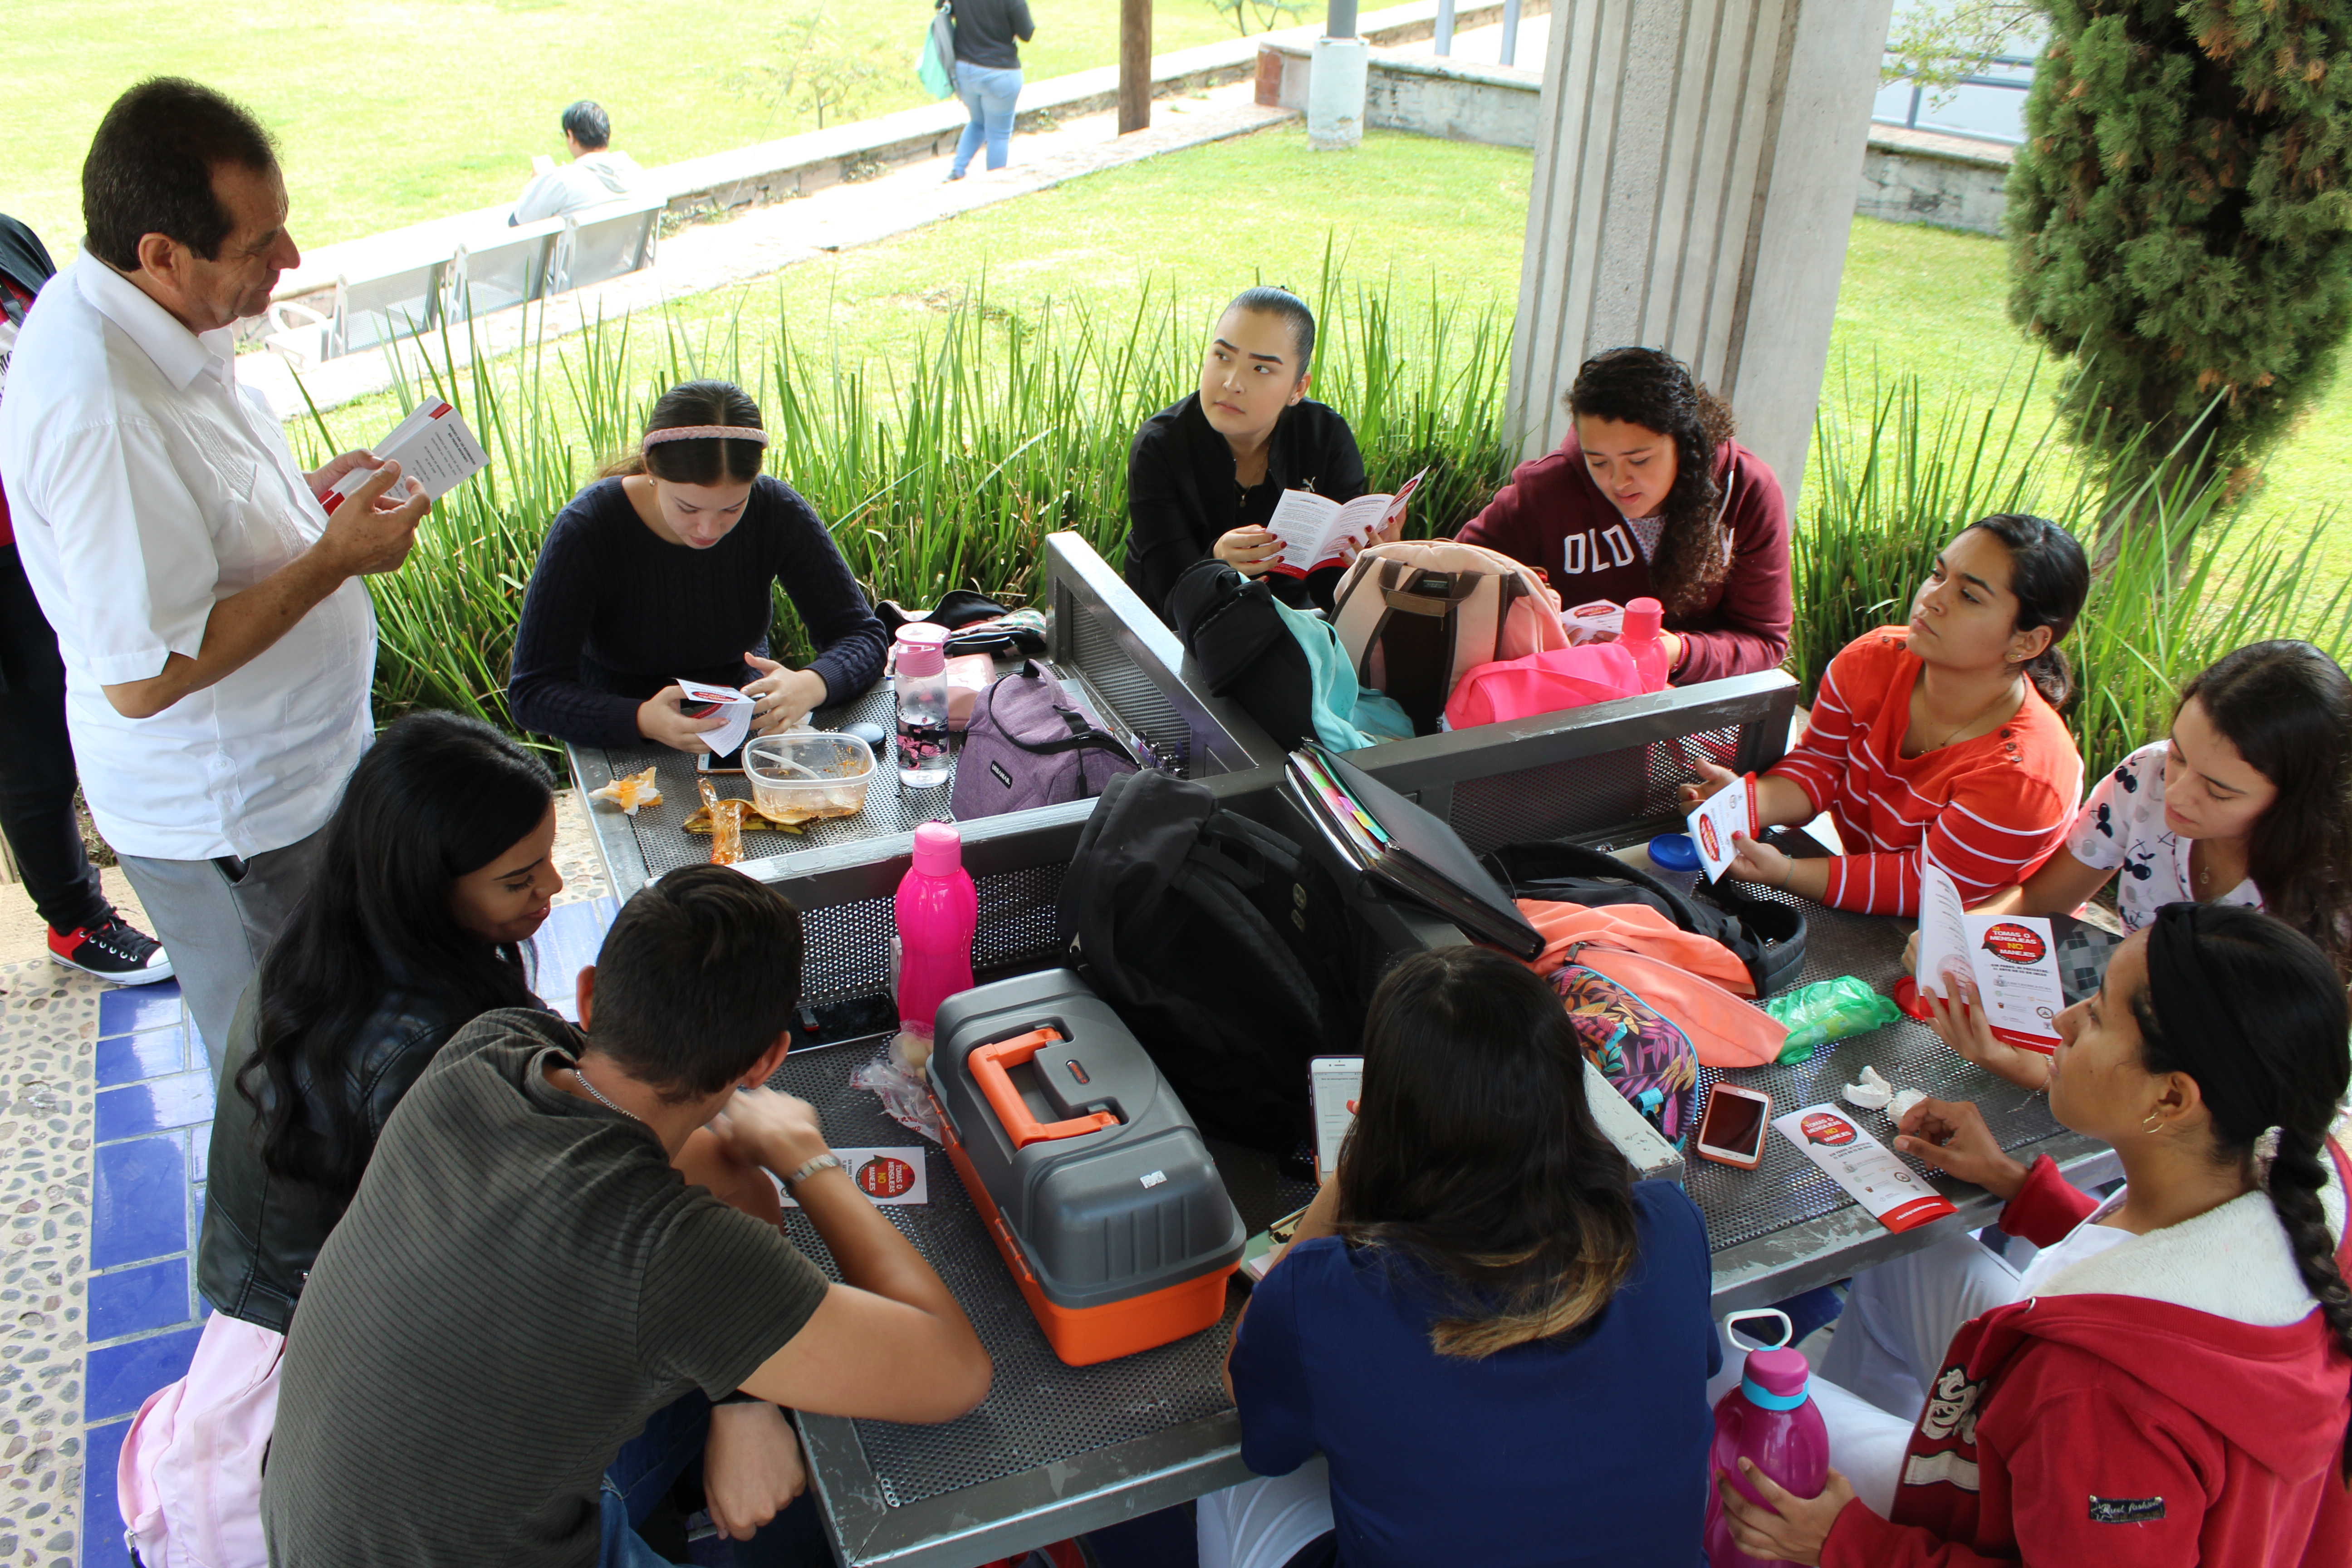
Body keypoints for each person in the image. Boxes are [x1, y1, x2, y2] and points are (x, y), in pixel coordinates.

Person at [260, 863, 993, 1565]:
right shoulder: (664, 1253)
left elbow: (714, 1173)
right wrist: (808, 1160)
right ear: (769, 1060)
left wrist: (742, 1398)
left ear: (585, 997)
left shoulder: (489, 1049)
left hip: (315, 1522)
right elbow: (953, 1374)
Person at [0, 79, 430, 1072]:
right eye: (259, 244)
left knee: (337, 1030)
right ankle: (314, 1230)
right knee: (285, 1078)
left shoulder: (160, 315)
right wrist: (333, 560)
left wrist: (307, 501)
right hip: (235, 816)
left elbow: (199, 519)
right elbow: (144, 675)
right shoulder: (103, 409)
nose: (290, 259)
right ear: (161, 253)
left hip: (297, 781)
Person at [1715, 903, 2352, 1567]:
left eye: (2099, 1014)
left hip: (2039, 1505)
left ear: (2171, 1100)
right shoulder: (2309, 1179)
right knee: (1915, 1254)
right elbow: (2176, 1261)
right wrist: (2016, 1185)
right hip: (2060, 1479)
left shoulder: (2101, 1400)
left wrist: (1846, 1543)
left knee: (1725, 1380)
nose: (2063, 1019)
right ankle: (1913, 1478)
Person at [116, 712, 564, 1567]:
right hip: (324, 1342)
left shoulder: (328, 945)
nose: (550, 886)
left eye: (545, 857)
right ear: (427, 887)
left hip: (262, 1297)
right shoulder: (425, 1044)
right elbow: (504, 1246)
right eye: (518, 879)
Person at [1199, 945, 1719, 1568]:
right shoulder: (1670, 1227)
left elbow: (1249, 1399)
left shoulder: (1322, 1294)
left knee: (1224, 1489)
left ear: (1388, 1124)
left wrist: (1343, 1184)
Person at [1679, 514, 2088, 917]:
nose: (1932, 599)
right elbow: (1823, 764)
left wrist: (1786, 872)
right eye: (1938, 573)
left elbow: (1926, 886)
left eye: (1969, 596)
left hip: (1968, 951)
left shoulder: (2023, 778)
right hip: (1885, 905)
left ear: (2029, 640)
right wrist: (1743, 804)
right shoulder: (1872, 660)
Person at [507, 379, 888, 753]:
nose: (708, 529)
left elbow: (863, 636)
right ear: (650, 471)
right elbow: (532, 693)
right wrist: (641, 719)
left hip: (742, 729)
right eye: (687, 508)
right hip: (620, 738)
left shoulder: (774, 509)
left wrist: (812, 683)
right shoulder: (589, 526)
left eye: (732, 508)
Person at [0, 212, 172, 984]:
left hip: (63, 522)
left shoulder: (8, 237)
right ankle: (75, 920)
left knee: (98, 690)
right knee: (26, 744)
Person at [1457, 347, 1791, 684]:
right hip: (1572, 699)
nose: (1619, 482)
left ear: (1685, 445)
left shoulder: (1747, 490)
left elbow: (1763, 639)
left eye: (1640, 460)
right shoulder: (1545, 491)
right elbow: (1457, 579)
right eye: (1598, 462)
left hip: (1694, 705)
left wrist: (1678, 652)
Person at [1125, 288, 1375, 624]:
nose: (1232, 383)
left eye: (1261, 369)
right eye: (1223, 357)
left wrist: (1369, 561)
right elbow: (1171, 598)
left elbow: (1331, 590)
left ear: (1298, 389)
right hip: (1171, 641)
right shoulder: (1161, 445)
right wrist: (1216, 560)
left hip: (1291, 629)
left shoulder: (1325, 437)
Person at [512, 100, 643, 225]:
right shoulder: (634, 170)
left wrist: (538, 181)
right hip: (629, 249)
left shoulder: (563, 181)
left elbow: (520, 221)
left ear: (571, 136)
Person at [946, 0, 1034, 180]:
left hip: (965, 71)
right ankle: (994, 184)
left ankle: (958, 169)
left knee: (978, 122)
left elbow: (943, 8)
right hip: (1001, 73)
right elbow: (1027, 33)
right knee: (999, 135)